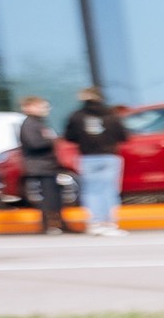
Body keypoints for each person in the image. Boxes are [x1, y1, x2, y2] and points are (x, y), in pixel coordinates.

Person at [64, 87, 128, 236]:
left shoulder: (77, 116)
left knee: (91, 191)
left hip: (88, 156)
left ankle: (95, 223)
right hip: (109, 156)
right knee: (109, 190)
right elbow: (123, 136)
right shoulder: (111, 114)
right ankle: (110, 223)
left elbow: (69, 136)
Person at [14, 96, 71, 236]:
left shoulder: (39, 123)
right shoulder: (29, 124)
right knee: (48, 197)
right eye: (42, 106)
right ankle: (50, 224)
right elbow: (34, 143)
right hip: (39, 166)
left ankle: (59, 223)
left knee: (55, 196)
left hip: (47, 165)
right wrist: (52, 141)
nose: (46, 109)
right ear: (29, 107)